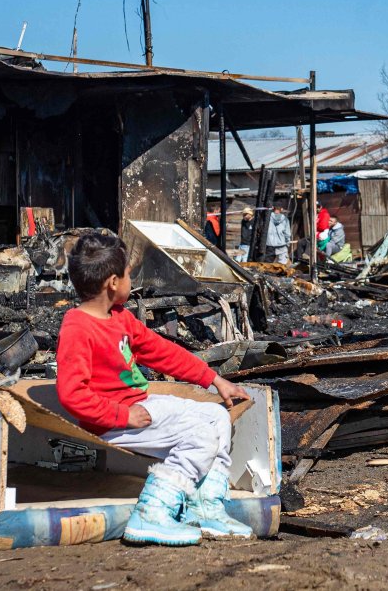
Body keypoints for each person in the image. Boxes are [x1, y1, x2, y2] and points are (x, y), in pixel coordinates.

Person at [56, 233, 253, 546]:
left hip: (140, 406)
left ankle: (204, 509)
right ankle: (151, 513)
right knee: (199, 436)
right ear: (112, 283)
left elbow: (161, 352)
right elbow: (71, 393)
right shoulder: (78, 327)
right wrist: (122, 415)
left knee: (216, 417)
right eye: (128, 275)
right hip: (112, 422)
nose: (131, 280)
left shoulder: (119, 318)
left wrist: (213, 379)